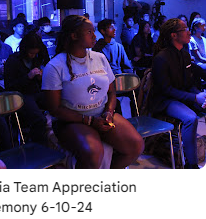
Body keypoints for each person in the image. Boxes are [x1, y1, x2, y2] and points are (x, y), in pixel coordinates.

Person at [41, 15, 144, 169]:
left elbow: (111, 92)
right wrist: (88, 121)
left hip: (101, 113)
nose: (95, 35)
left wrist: (109, 112)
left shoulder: (99, 58)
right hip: (71, 121)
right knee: (94, 152)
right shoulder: (56, 66)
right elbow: (54, 109)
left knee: (136, 145)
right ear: (74, 36)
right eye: (89, 32)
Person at [151, 18, 206, 169]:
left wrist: (201, 96)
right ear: (174, 35)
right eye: (185, 29)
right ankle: (191, 164)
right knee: (190, 118)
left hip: (180, 96)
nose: (189, 32)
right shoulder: (161, 58)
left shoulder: (185, 55)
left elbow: (188, 85)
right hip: (165, 101)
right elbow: (166, 90)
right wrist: (195, 97)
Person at [4, 31, 50, 144]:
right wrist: (28, 77)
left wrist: (40, 78)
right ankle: (35, 146)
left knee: (56, 105)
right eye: (31, 53)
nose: (33, 56)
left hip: (35, 93)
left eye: (35, 53)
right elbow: (9, 86)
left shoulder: (36, 60)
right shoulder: (13, 61)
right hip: (20, 95)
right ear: (24, 49)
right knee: (39, 119)